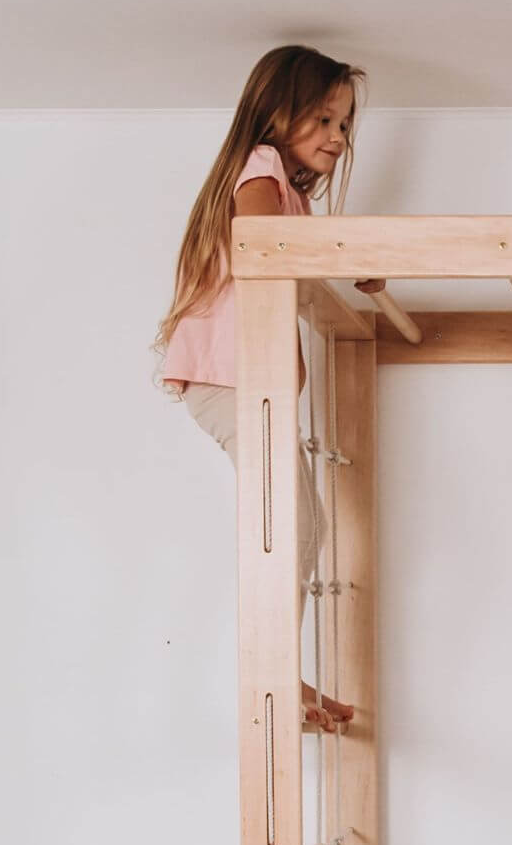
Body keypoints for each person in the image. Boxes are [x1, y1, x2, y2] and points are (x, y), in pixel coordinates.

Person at [155, 44, 378, 731]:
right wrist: (346, 255)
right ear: (280, 116)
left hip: (244, 383)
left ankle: (281, 666)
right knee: (297, 524)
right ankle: (273, 668)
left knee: (298, 523)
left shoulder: (289, 201)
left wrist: (353, 270)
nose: (338, 139)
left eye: (344, 126)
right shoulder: (259, 172)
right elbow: (261, 242)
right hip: (231, 378)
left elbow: (300, 274)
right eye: (325, 120)